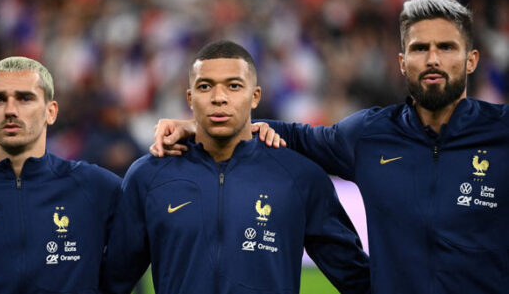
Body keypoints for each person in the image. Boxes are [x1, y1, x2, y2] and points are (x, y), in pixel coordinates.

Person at [151, 0, 509, 293]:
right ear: (402, 62)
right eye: (420, 48)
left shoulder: (502, 132)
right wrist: (200, 127)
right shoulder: (368, 135)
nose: (432, 59)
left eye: (446, 47)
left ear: (471, 59)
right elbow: (294, 134)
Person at [100, 40, 370, 293]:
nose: (219, 97)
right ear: (190, 98)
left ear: (255, 97)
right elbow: (112, 282)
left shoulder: (300, 177)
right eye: (205, 86)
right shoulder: (148, 177)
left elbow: (359, 280)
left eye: (234, 86)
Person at [0, 57, 121, 293]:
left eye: (25, 98)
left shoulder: (95, 188)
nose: (10, 110)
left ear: (51, 112)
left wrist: (183, 131)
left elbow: (144, 245)